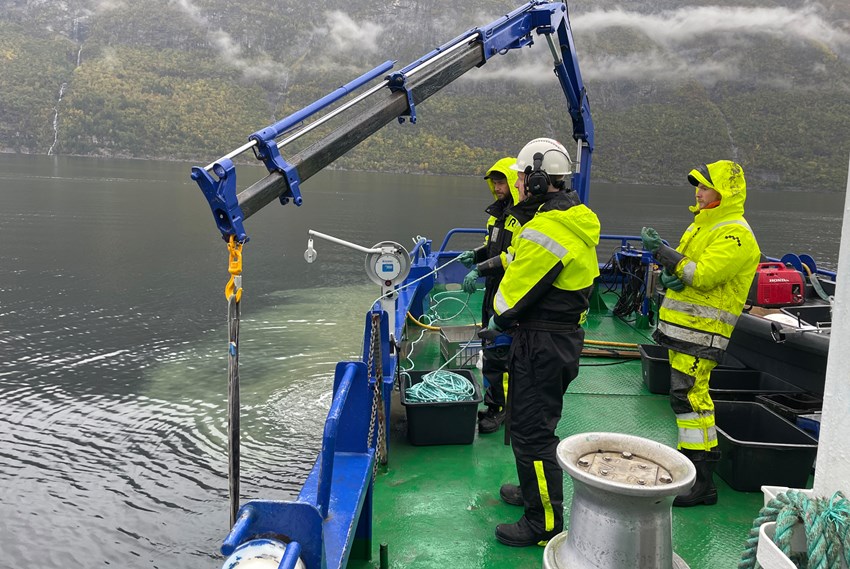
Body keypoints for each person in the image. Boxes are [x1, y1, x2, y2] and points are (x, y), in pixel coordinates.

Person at [484, 137, 601, 547]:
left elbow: (510, 297)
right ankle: (531, 488)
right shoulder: (574, 219)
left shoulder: (545, 229)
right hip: (558, 340)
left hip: (541, 345)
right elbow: (525, 264)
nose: (517, 183)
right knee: (528, 423)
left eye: (520, 176)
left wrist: (496, 319)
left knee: (533, 433)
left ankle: (544, 521)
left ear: (536, 181)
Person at [641, 160, 761, 507]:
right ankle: (692, 472)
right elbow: (686, 269)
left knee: (692, 399)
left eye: (706, 186)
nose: (699, 191)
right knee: (686, 399)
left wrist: (661, 253)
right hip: (685, 330)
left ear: (725, 192)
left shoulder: (736, 234)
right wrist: (670, 275)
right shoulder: (702, 226)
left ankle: (701, 481)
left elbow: (703, 275)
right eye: (697, 185)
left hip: (703, 333)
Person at [457, 158, 522, 434]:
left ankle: (504, 410)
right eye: (494, 183)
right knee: (491, 350)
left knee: (502, 353)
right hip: (493, 293)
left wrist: (479, 269)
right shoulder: (496, 217)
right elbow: (491, 248)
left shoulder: (523, 220)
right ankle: (495, 403)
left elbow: (514, 256)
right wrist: (475, 254)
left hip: (511, 293)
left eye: (502, 182)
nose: (497, 188)